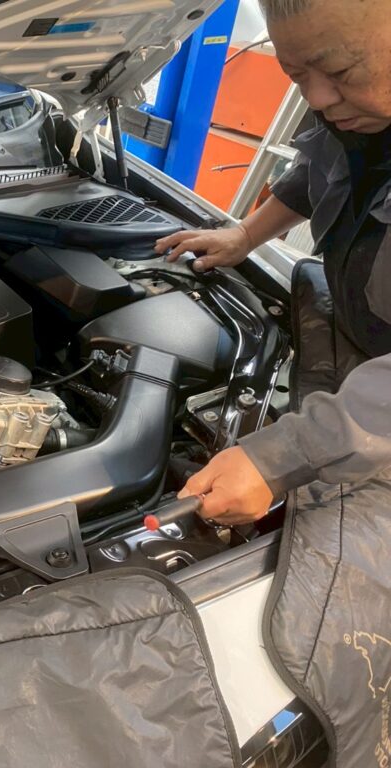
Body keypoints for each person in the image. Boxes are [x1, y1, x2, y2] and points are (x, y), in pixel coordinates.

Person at [153, 0, 391, 525]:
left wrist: (281, 457)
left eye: (339, 71)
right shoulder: (359, 109)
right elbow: (320, 171)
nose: (317, 99)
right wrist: (245, 235)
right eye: (296, 75)